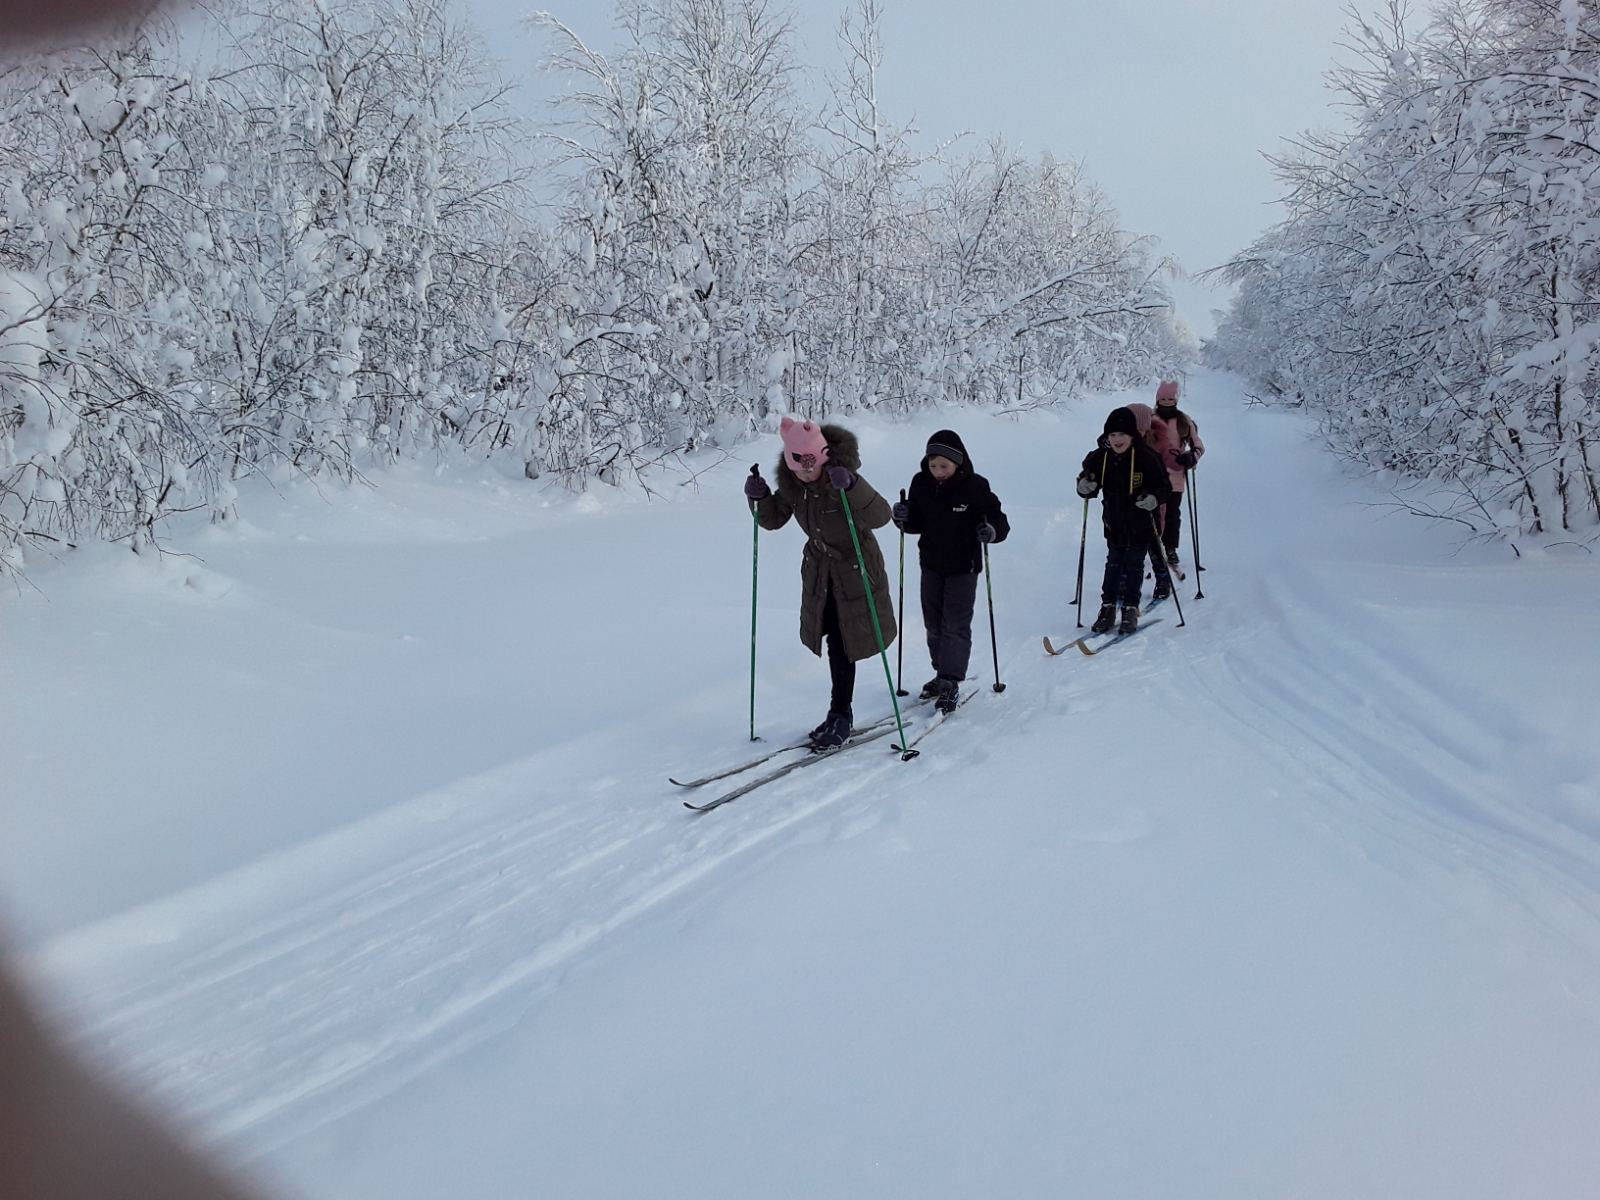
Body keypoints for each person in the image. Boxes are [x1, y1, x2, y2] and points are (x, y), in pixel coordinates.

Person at [744, 417, 897, 749]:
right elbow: (772, 520)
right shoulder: (795, 485)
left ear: (825, 456)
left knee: (845, 642)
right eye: (798, 468)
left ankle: (841, 714)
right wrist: (758, 499)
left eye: (810, 466)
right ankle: (837, 712)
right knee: (831, 638)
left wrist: (854, 486)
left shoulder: (841, 479)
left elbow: (881, 516)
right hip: (820, 573)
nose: (805, 473)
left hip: (856, 569)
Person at [890, 430, 1009, 714]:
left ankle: (951, 680)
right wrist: (901, 516)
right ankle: (940, 672)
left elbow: (998, 520)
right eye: (933, 465)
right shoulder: (921, 483)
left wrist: (990, 531)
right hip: (930, 564)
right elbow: (915, 523)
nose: (938, 471)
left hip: (963, 567)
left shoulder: (975, 487)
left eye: (944, 466)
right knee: (933, 624)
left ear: (958, 462)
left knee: (954, 625)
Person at [1076, 406, 1174, 636]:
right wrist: (1085, 488)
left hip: (1141, 523)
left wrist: (1153, 498)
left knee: (1133, 566)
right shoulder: (1100, 457)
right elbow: (1087, 480)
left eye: (1122, 434)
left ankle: (1130, 609)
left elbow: (1164, 487)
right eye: (1112, 435)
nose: (1117, 440)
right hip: (1114, 522)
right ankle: (1107, 608)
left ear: (1132, 435)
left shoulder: (1147, 457)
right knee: (1113, 565)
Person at [1146, 380, 1205, 570]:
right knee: (1155, 513)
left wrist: (1192, 456)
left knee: (1172, 513)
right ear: (1157, 399)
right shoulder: (1150, 419)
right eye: (1163, 398)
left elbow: (1198, 446)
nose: (1166, 401)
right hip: (1153, 474)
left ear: (1176, 400)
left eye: (1170, 398)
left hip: (1176, 474)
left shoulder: (1184, 420)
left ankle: (1170, 547)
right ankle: (1155, 547)